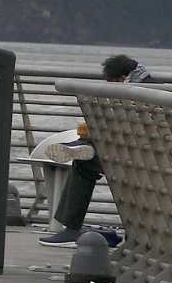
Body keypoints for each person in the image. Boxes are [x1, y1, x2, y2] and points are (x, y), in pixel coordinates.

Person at [37, 53, 152, 247]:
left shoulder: (138, 91)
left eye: (112, 82)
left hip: (139, 158)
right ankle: (84, 146)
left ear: (122, 77)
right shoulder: (150, 87)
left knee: (84, 164)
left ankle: (71, 228)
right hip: (141, 154)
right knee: (86, 157)